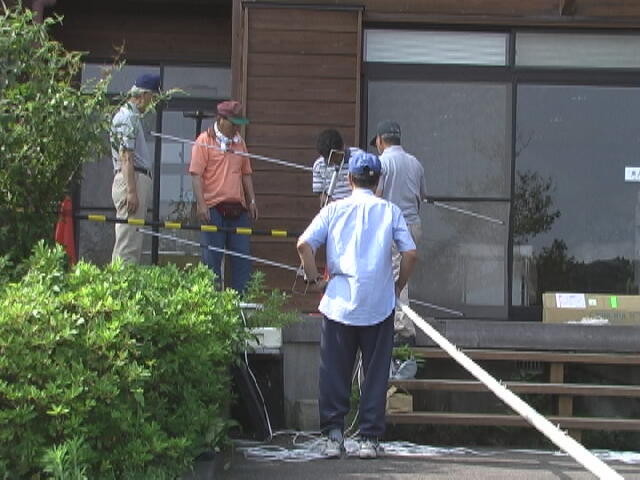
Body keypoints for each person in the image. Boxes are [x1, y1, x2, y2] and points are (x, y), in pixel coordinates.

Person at [297, 150, 417, 459]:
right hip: (379, 303)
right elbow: (410, 253)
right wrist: (398, 285)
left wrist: (315, 279)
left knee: (334, 371)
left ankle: (333, 436)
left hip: (339, 302)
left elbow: (304, 244)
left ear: (349, 179)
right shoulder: (390, 211)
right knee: (375, 373)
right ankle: (369, 439)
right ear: (379, 182)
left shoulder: (334, 209)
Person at [189, 100, 258, 293]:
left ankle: (241, 303)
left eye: (238, 124)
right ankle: (211, 303)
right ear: (221, 119)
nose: (236, 128)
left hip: (238, 208)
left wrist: (252, 200)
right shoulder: (204, 141)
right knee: (211, 260)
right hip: (213, 207)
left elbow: (246, 173)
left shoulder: (240, 142)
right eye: (233, 123)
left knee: (242, 259)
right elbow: (196, 175)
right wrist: (201, 204)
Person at [371, 120, 427, 346]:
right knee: (402, 274)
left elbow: (377, 195)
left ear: (380, 140)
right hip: (413, 224)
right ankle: (393, 322)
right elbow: (422, 196)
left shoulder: (382, 163)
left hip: (393, 225)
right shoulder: (415, 163)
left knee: (396, 276)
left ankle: (403, 331)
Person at [110, 73, 160, 263]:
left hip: (135, 178)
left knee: (131, 239)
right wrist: (131, 191)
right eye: (152, 97)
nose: (152, 103)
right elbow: (126, 156)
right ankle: (121, 280)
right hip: (133, 179)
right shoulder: (127, 118)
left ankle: (123, 277)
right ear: (144, 94)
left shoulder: (131, 117)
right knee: (128, 244)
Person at [312, 129, 351, 207]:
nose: (334, 162)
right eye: (330, 160)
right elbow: (321, 193)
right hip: (334, 208)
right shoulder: (319, 165)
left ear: (343, 146)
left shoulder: (358, 158)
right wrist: (332, 204)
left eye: (337, 156)